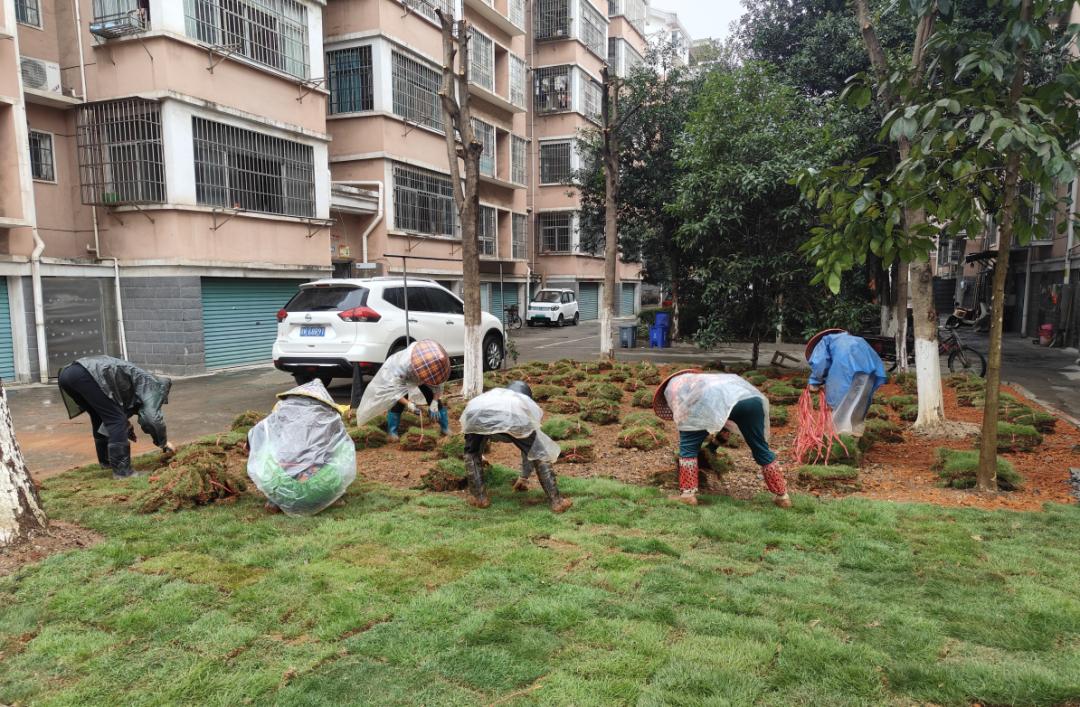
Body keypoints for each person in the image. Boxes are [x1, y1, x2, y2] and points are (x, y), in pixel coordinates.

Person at [654, 369, 791, 508]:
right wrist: (712, 447)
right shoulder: (709, 382)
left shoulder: (684, 392)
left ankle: (687, 495)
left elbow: (694, 423)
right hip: (751, 400)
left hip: (722, 401)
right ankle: (782, 496)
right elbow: (724, 419)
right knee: (761, 449)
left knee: (687, 446)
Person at [459, 381, 571, 513]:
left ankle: (479, 498)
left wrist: (478, 452)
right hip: (505, 414)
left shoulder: (495, 394)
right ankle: (557, 502)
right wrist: (524, 477)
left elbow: (477, 443)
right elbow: (532, 451)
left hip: (476, 411)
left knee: (472, 454)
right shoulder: (520, 404)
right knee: (539, 453)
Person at [57, 355, 175, 479]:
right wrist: (163, 442)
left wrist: (126, 426)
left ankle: (106, 462)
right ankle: (123, 473)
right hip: (88, 374)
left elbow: (121, 404)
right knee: (116, 420)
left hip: (67, 374)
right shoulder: (155, 388)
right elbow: (152, 419)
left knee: (99, 417)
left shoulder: (140, 381)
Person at [352, 340, 452, 438]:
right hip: (398, 375)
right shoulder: (402, 365)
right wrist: (408, 404)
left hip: (421, 374)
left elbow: (437, 386)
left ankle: (445, 428)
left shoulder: (436, 367)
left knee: (432, 397)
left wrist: (434, 402)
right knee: (398, 404)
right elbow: (395, 392)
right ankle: (392, 432)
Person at [805, 329, 888, 436]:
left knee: (840, 404)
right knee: (859, 404)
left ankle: (836, 438)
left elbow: (820, 362)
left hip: (845, 369)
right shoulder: (859, 340)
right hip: (870, 374)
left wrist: (814, 382)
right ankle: (854, 435)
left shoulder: (826, 340)